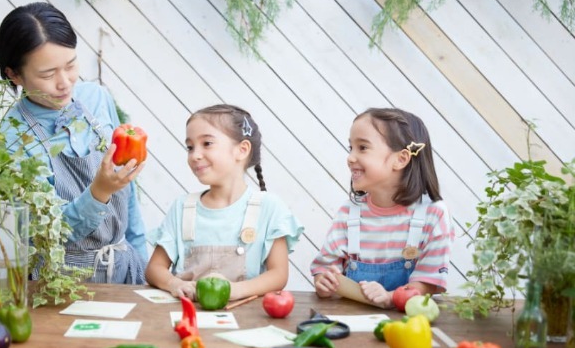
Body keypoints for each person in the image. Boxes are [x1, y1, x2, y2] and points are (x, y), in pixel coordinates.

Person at [0, 2, 148, 284]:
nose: (65, 82)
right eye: (47, 74)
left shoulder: (96, 98)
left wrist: (144, 263)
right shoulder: (11, 138)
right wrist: (100, 191)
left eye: (71, 65)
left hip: (125, 270)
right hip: (60, 283)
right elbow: (50, 232)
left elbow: (129, 193)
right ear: (14, 75)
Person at [145, 104, 304, 300]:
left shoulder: (270, 208)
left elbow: (278, 275)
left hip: (244, 319)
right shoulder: (182, 208)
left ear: (242, 150)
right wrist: (174, 283)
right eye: (190, 147)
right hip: (187, 316)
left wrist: (234, 291)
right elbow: (154, 268)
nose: (195, 155)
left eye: (207, 143)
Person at [311, 108, 453, 309]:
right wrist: (323, 282)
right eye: (350, 147)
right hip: (351, 320)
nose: (351, 157)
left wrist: (390, 297)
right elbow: (325, 267)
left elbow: (428, 282)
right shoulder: (349, 213)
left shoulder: (433, 214)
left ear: (401, 159)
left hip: (409, 327)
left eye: (362, 147)